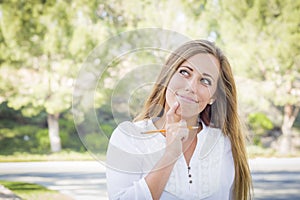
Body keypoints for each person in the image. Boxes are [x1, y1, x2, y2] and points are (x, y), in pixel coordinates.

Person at [106, 40, 252, 200]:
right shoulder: (129, 137)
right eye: (185, 72)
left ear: (213, 96)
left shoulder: (223, 143)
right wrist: (171, 154)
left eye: (205, 81)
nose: (191, 87)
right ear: (168, 76)